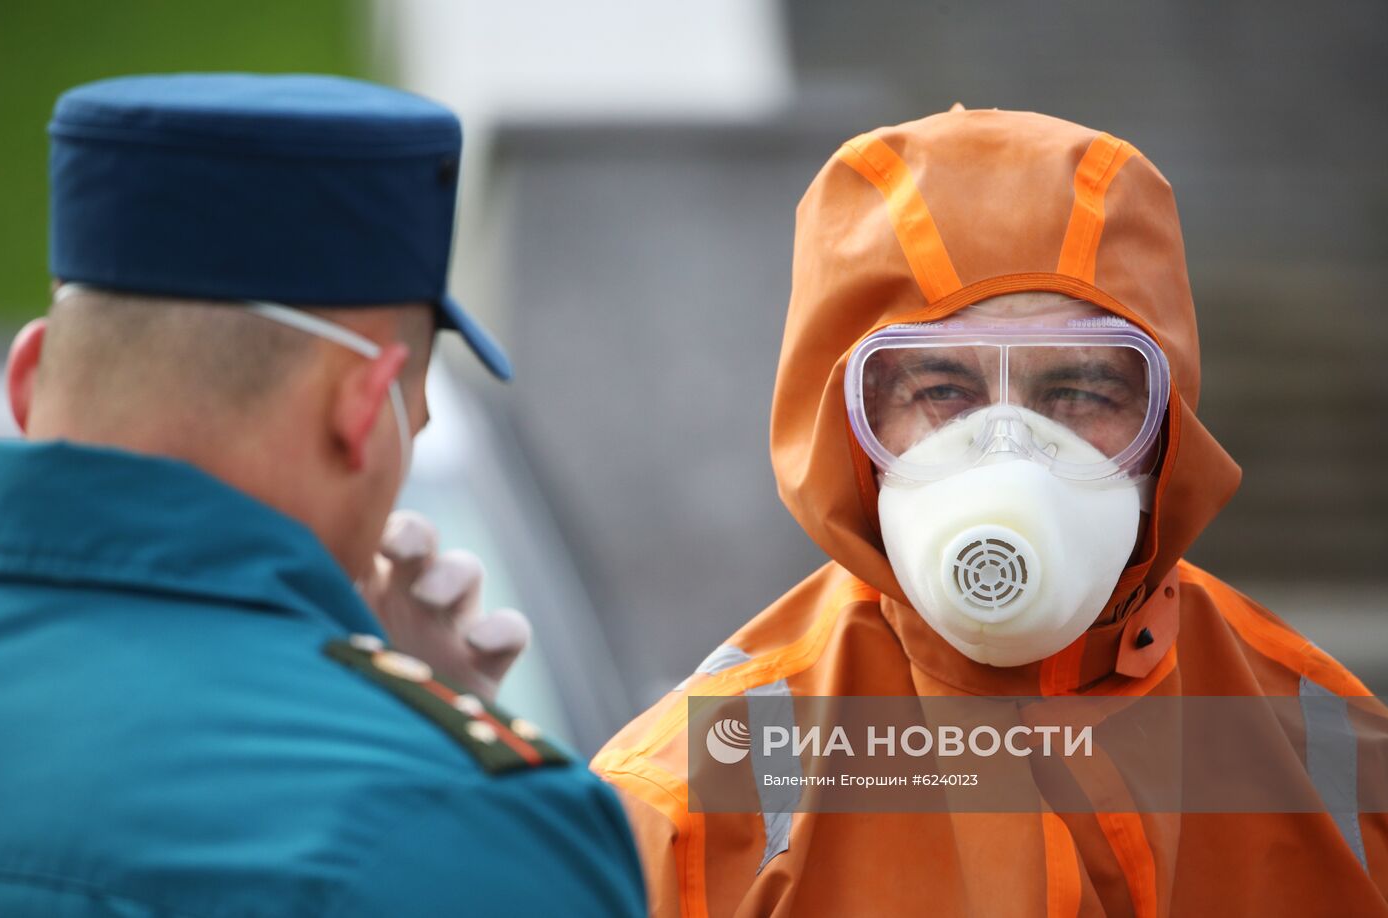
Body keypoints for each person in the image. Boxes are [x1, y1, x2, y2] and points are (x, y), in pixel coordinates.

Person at [593, 108, 1388, 915]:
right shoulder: (687, 809)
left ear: (1165, 429)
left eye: (1080, 391)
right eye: (941, 392)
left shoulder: (1332, 759)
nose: (1010, 454)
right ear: (850, 433)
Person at [0, 73, 644, 916]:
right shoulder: (464, 825)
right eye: (417, 411)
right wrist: (418, 726)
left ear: (30, 376)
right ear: (364, 406)